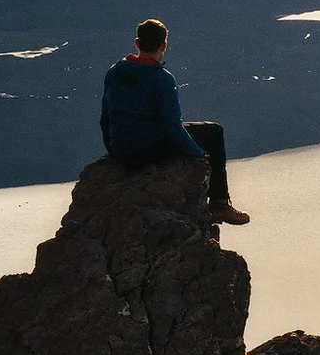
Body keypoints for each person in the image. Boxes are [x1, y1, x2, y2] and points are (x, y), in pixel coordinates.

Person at [99, 18, 249, 225]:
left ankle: (219, 204)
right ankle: (219, 204)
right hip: (146, 149)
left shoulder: (114, 72)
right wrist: (198, 155)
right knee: (214, 132)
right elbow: (172, 127)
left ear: (137, 43)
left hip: (122, 148)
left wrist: (114, 149)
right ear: (164, 46)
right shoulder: (162, 79)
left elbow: (105, 117)